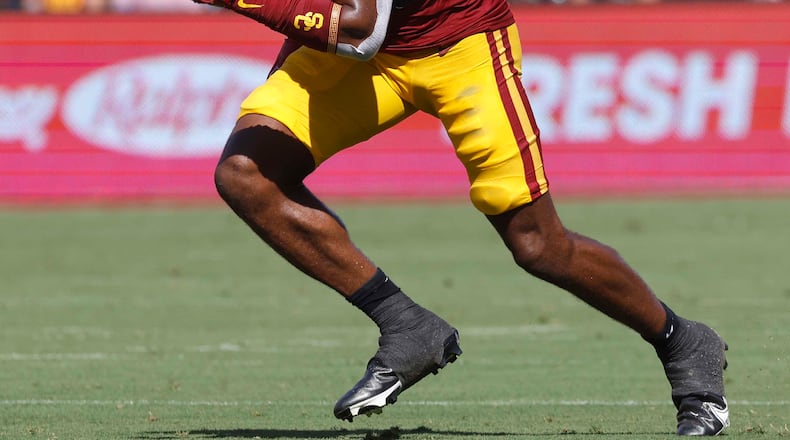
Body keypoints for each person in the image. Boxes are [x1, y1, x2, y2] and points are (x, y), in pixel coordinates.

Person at [191, 0, 729, 435]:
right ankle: (407, 325)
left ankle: (683, 341)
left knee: (538, 245)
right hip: (357, 54)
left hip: (455, 43)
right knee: (247, 174)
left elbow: (361, 23)